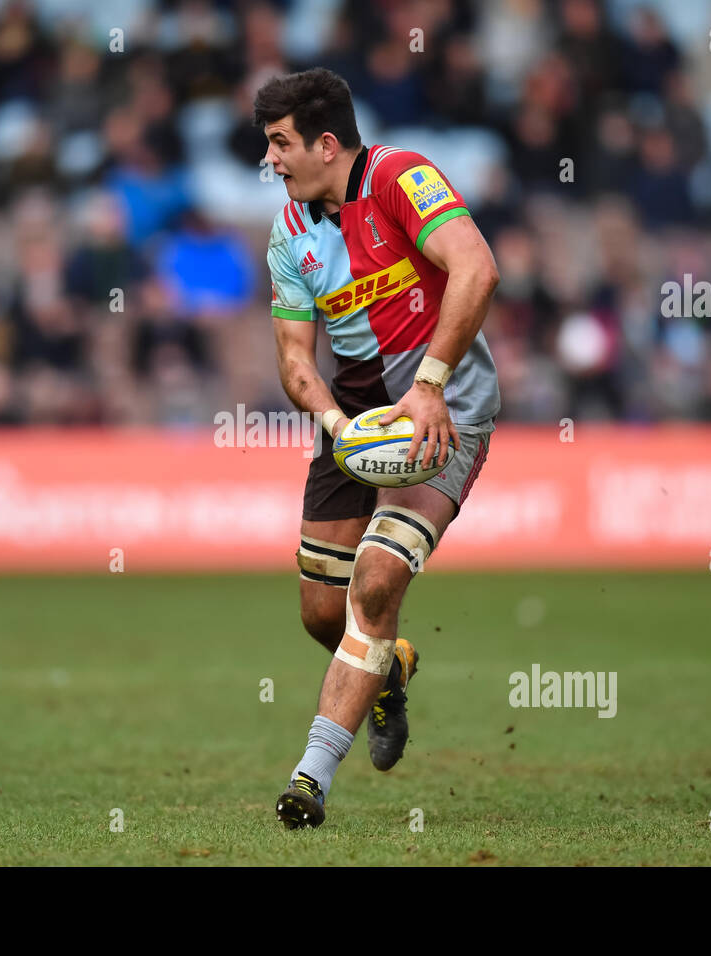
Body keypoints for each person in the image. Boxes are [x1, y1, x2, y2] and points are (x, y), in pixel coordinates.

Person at [255, 68, 502, 829]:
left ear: (327, 144)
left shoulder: (402, 176)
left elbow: (477, 266)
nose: (271, 161)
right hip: (357, 416)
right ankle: (388, 668)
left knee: (374, 585)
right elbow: (296, 358)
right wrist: (339, 430)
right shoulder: (288, 236)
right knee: (323, 613)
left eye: (280, 144)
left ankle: (309, 778)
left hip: (443, 408)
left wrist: (428, 385)